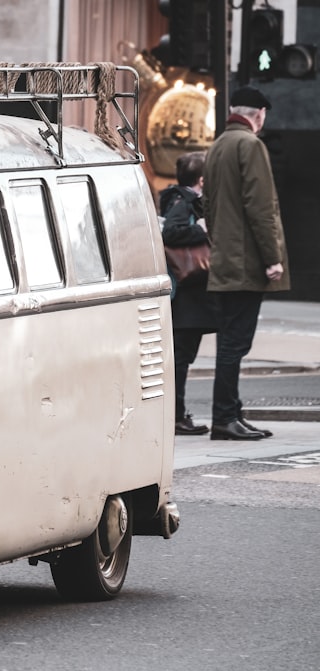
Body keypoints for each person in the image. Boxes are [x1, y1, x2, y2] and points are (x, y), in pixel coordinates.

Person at [202, 85, 290, 441]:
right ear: (259, 115)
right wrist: (273, 258)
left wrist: (218, 244)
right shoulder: (251, 145)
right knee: (234, 345)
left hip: (225, 257)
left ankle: (232, 413)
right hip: (246, 263)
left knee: (230, 342)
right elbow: (262, 207)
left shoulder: (219, 144)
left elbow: (207, 204)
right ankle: (225, 418)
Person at [159, 151, 218, 436]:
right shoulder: (184, 201)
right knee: (181, 358)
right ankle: (176, 416)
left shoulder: (178, 198)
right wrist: (201, 229)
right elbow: (171, 233)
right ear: (202, 179)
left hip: (188, 295)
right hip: (188, 295)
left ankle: (176, 414)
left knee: (181, 357)